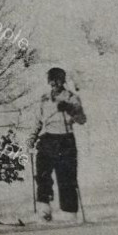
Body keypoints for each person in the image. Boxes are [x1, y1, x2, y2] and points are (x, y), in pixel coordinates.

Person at [30, 67, 86, 223]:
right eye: (52, 80)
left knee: (66, 177)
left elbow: (82, 119)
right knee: (42, 175)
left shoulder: (71, 98)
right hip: (47, 139)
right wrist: (33, 136)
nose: (55, 83)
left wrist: (69, 108)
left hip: (65, 139)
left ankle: (69, 212)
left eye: (58, 80)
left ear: (63, 81)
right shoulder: (44, 99)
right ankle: (44, 210)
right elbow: (38, 120)